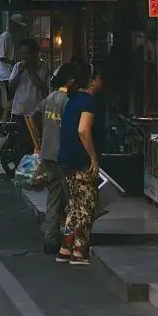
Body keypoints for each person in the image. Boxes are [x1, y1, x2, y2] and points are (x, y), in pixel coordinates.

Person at [57, 63, 99, 267]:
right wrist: (93, 157)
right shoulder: (87, 102)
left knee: (73, 205)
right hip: (80, 161)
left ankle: (65, 248)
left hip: (66, 160)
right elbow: (83, 130)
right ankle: (78, 250)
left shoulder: (72, 100)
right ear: (92, 81)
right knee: (86, 205)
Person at [34, 62, 75, 255]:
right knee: (72, 199)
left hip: (48, 154)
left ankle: (50, 238)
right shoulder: (69, 101)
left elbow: (34, 114)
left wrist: (41, 137)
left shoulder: (50, 98)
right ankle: (72, 239)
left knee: (54, 197)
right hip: (63, 156)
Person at [8, 38, 48, 160]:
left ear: (35, 54)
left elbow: (41, 85)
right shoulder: (17, 67)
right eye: (23, 53)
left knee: (35, 142)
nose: (24, 57)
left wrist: (30, 70)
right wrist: (19, 72)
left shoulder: (42, 67)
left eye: (27, 53)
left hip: (35, 112)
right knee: (22, 142)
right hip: (19, 111)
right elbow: (11, 86)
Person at [0, 14, 28, 123]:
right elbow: (1, 56)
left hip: (7, 71)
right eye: (18, 26)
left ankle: (4, 120)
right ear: (13, 24)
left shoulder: (10, 37)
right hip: (4, 72)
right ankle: (4, 121)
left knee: (9, 96)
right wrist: (14, 63)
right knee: (8, 97)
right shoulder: (5, 37)